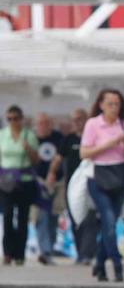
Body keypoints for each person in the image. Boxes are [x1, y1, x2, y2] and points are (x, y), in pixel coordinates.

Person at [80, 89, 124, 283]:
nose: (114, 108)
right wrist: (111, 143)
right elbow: (85, 153)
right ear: (102, 105)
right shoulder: (93, 124)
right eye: (110, 104)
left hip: (120, 177)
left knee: (110, 224)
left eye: (117, 104)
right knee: (108, 219)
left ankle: (99, 263)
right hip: (99, 177)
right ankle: (117, 264)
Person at [0, 105, 40, 265]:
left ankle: (20, 254)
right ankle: (8, 252)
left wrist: (27, 148)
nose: (12, 122)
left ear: (21, 119)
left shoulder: (29, 135)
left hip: (24, 180)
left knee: (23, 218)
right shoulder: (2, 135)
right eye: (9, 119)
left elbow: (36, 160)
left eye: (15, 119)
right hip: (6, 181)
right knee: (8, 215)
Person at [63, 107, 97, 264]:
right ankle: (80, 252)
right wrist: (51, 174)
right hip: (72, 186)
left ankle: (87, 253)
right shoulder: (69, 139)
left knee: (89, 218)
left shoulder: (94, 138)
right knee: (76, 219)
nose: (77, 123)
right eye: (74, 120)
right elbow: (58, 158)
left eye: (80, 119)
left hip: (90, 183)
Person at [32, 113, 65, 265]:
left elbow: (61, 156)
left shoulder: (58, 137)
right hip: (38, 182)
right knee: (41, 217)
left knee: (53, 216)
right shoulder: (32, 138)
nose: (43, 126)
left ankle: (49, 250)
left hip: (57, 181)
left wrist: (52, 173)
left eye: (46, 123)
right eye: (40, 123)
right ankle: (45, 251)